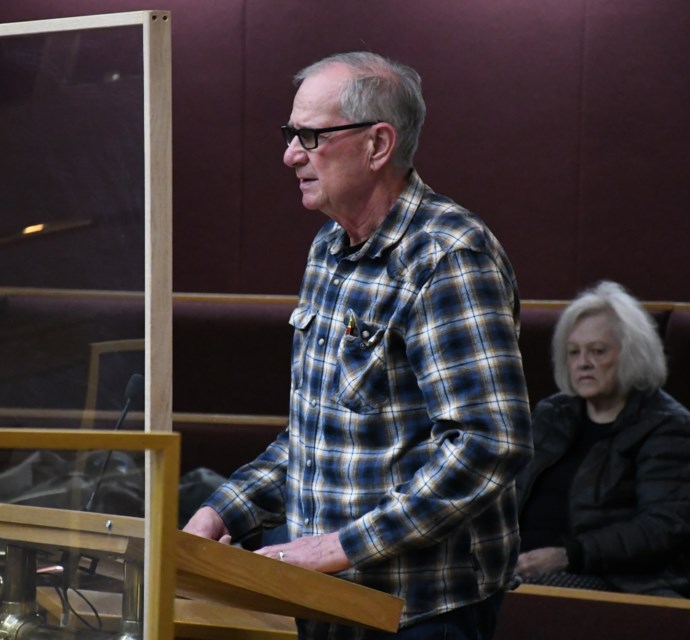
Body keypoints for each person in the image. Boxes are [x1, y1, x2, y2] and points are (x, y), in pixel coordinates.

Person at [183, 51, 532, 639]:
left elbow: (488, 444)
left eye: (311, 136)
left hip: (420, 609)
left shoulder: (447, 255)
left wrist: (339, 548)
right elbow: (319, 435)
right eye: (291, 134)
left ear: (377, 145)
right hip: (321, 595)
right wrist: (223, 509)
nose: (290, 154)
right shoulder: (328, 248)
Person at [514, 280, 690, 597]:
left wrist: (567, 555)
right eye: (573, 352)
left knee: (501, 596)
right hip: (522, 568)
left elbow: (663, 528)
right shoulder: (552, 415)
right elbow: (508, 492)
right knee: (414, 585)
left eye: (598, 351)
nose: (583, 363)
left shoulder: (669, 427)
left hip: (616, 582)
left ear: (633, 353)